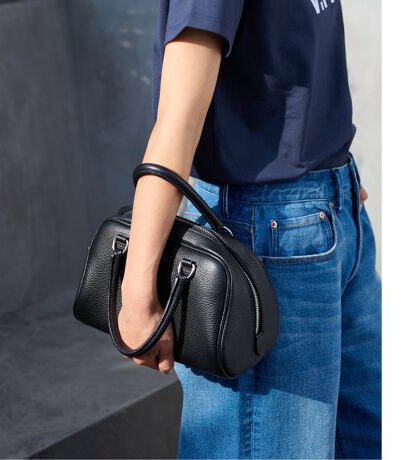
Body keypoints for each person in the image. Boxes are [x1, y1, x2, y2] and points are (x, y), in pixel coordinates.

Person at [118, 1, 381, 458]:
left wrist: (136, 288)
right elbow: (182, 120)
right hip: (295, 226)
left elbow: (180, 122)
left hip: (293, 226)